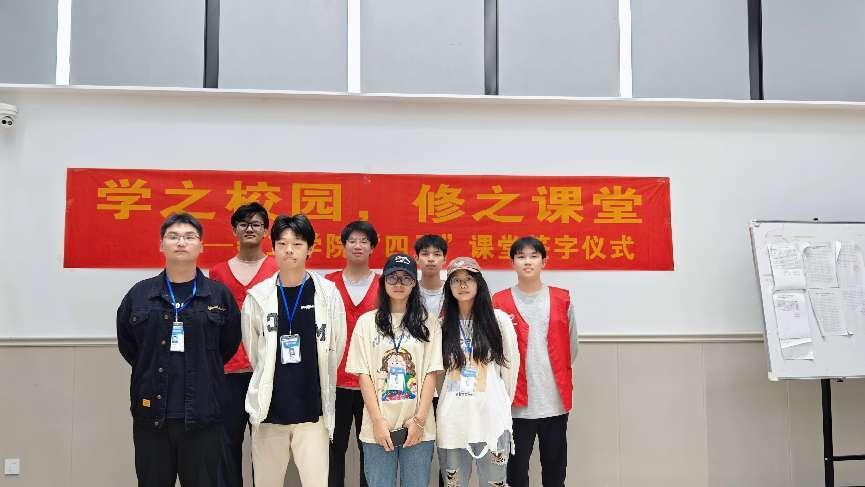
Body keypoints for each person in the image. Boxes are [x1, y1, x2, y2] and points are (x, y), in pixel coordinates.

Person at [117, 212, 241, 487]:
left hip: (203, 417)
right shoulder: (139, 295)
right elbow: (130, 347)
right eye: (173, 237)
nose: (181, 242)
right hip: (152, 416)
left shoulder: (218, 295)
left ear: (201, 246)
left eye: (189, 237)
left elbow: (228, 345)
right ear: (161, 245)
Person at [241, 214, 347, 487]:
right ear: (273, 248)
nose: (289, 250)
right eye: (282, 243)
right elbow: (255, 354)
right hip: (269, 411)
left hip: (313, 411)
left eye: (297, 243)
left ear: (310, 249)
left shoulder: (328, 293)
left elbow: (335, 347)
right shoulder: (258, 296)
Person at [345, 253, 443, 487]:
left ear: (414, 283)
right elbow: (364, 375)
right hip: (378, 428)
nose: (399, 283)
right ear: (383, 282)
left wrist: (419, 421)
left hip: (418, 427)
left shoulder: (428, 322)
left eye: (406, 278)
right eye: (392, 277)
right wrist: (377, 422)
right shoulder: (367, 323)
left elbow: (431, 373)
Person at [492, 236, 578, 487]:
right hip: (514, 403)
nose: (527, 261)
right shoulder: (498, 302)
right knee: (515, 472)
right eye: (521, 256)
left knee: (555, 470)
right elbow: (494, 353)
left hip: (554, 401)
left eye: (533, 256)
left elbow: (572, 347)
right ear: (512, 263)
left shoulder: (562, 299)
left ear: (544, 261)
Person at [209, 202, 279, 487]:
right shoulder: (217, 272)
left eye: (256, 224)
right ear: (234, 231)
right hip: (226, 370)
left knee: (265, 445)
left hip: (266, 369)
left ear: (266, 231)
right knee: (226, 443)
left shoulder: (277, 268)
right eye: (243, 224)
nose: (250, 229)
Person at [436, 257, 519, 487]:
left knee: (495, 483)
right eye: (456, 280)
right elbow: (439, 376)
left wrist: (500, 401)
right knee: (454, 484)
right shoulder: (441, 325)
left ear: (479, 283)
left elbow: (510, 368)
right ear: (448, 286)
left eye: (468, 279)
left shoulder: (498, 320)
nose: (462, 285)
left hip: (491, 417)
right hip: (453, 419)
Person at [326, 221, 381, 487]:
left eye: (364, 241)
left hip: (372, 382)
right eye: (352, 241)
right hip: (334, 381)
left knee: (369, 451)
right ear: (343, 246)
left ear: (372, 248)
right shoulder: (327, 283)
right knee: (333, 450)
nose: (358, 246)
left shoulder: (384, 285)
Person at [414, 235, 448, 318]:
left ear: (444, 259)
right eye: (425, 254)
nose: (431, 259)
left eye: (437, 254)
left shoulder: (452, 291)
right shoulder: (410, 290)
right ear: (416, 259)